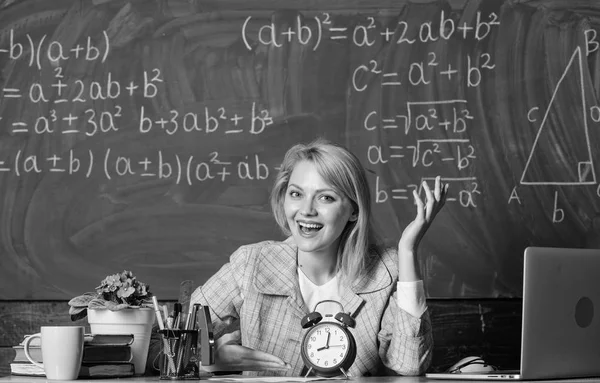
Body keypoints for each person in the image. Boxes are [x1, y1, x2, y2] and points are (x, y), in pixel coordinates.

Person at [190, 138, 448, 376]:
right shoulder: (252, 263)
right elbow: (167, 343)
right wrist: (208, 361)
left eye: (325, 197)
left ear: (354, 211)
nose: (306, 210)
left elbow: (410, 366)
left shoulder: (386, 269)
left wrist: (408, 250)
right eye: (296, 194)